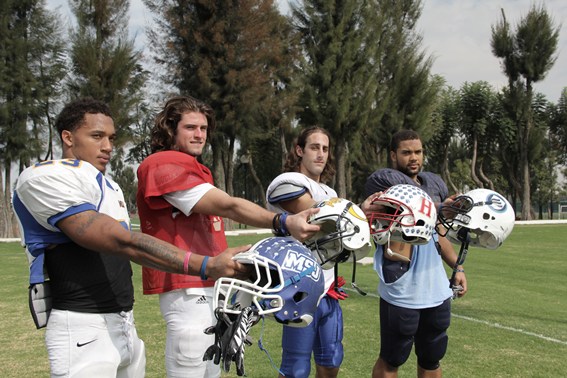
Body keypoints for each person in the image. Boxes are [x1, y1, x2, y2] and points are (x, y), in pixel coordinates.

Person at [12, 98, 250, 377]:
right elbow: (120, 241)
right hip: (80, 325)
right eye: (97, 136)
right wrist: (205, 265)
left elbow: (128, 249)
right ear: (68, 137)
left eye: (111, 138)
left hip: (124, 322)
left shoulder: (108, 185)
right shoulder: (46, 176)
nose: (108, 147)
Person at [135, 95, 320, 378]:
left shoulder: (196, 168)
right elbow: (229, 205)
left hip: (210, 288)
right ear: (170, 129)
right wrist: (282, 220)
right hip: (188, 291)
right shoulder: (163, 162)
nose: (199, 134)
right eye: (190, 127)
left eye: (204, 128)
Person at [266, 126, 375, 378]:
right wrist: (357, 211)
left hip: (327, 287)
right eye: (314, 147)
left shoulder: (330, 192)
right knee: (296, 367)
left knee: (331, 360)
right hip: (300, 289)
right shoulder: (287, 182)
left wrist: (360, 215)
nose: (321, 154)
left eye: (325, 149)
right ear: (299, 150)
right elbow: (322, 220)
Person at [364, 129, 468, 378]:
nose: (414, 157)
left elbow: (438, 232)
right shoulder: (384, 181)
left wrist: (458, 267)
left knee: (432, 357)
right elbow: (411, 205)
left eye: (418, 151)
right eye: (406, 152)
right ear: (393, 155)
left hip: (437, 285)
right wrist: (445, 208)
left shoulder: (434, 183)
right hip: (402, 285)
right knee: (392, 357)